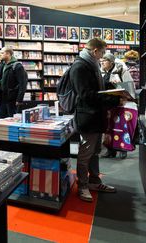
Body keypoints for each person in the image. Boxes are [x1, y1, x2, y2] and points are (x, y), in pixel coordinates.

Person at [71, 38, 126, 202]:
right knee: (85, 153)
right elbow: (86, 95)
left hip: (96, 116)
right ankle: (82, 186)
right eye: (102, 53)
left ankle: (94, 181)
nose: (103, 57)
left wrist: (110, 88)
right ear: (95, 51)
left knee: (95, 152)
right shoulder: (80, 66)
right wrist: (113, 100)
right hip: (88, 117)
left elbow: (95, 90)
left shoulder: (91, 64)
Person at [100, 53, 133, 159]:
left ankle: (123, 149)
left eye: (105, 60)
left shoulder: (120, 70)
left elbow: (128, 85)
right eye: (102, 60)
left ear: (111, 62)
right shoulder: (105, 72)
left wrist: (126, 98)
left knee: (121, 127)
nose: (102, 62)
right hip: (108, 104)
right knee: (109, 128)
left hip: (119, 103)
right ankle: (110, 150)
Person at [0, 46, 27, 118]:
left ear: (8, 54)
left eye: (2, 53)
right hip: (1, 98)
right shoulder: (2, 65)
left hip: (12, 99)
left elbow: (22, 84)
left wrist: (19, 99)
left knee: (11, 118)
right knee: (0, 118)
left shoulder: (17, 66)